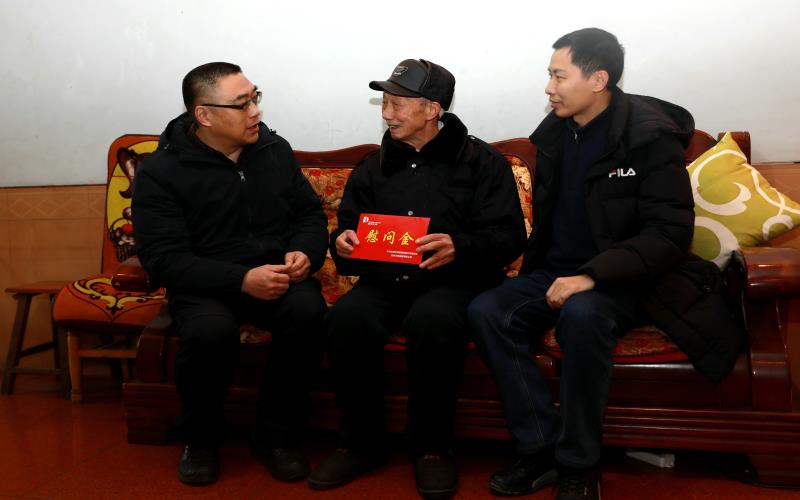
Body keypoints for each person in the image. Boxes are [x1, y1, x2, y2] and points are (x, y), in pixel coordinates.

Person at [468, 28, 704, 499]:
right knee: (488, 311)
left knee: (582, 315)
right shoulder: (556, 136)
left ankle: (579, 463)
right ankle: (539, 448)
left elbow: (669, 234)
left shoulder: (649, 139)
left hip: (626, 278)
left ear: (598, 80)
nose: (549, 88)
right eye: (549, 75)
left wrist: (591, 276)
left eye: (559, 76)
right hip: (557, 271)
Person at [307, 59, 526, 499]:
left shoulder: (481, 162)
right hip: (385, 281)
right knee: (347, 319)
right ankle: (359, 444)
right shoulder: (373, 166)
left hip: (454, 282)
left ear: (432, 109)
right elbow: (349, 225)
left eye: (396, 104)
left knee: (433, 321)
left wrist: (460, 246)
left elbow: (509, 236)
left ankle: (432, 448)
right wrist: (343, 242)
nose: (387, 114)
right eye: (384, 104)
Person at [132, 62, 328, 486]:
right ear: (204, 114)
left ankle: (275, 436)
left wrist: (304, 252)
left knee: (308, 312)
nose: (255, 111)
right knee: (210, 333)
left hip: (275, 274)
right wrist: (240, 280)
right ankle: (200, 439)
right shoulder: (161, 173)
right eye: (242, 104)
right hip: (205, 284)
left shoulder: (273, 151)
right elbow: (163, 259)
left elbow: (309, 215)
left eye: (256, 98)